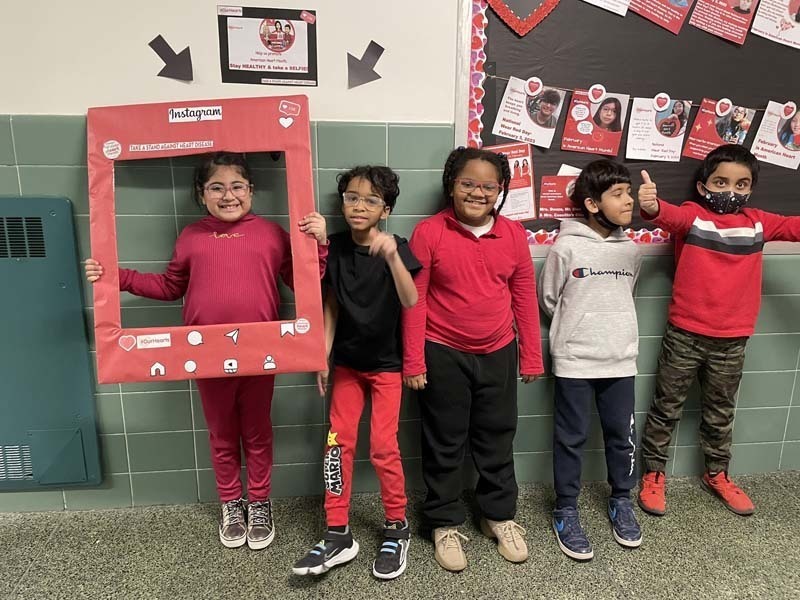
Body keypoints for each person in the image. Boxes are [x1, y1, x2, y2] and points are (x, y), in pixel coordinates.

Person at [85, 152, 328, 550]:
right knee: (221, 434)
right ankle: (232, 503)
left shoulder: (271, 234)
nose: (228, 195)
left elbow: (305, 280)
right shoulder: (191, 237)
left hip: (259, 352)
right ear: (202, 194)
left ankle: (260, 501)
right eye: (217, 187)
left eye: (237, 186)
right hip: (204, 355)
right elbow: (169, 286)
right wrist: (115, 277)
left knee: (256, 431)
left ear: (251, 190)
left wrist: (319, 243)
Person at [636, 144, 800, 517]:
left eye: (742, 184)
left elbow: (794, 227)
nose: (732, 190)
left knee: (720, 412)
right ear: (702, 185)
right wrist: (650, 205)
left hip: (732, 341)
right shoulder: (693, 217)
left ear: (751, 189)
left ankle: (718, 474)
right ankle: (653, 475)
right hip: (685, 336)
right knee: (666, 409)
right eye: (721, 182)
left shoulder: (758, 221)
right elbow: (667, 216)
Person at [402, 147, 544, 572]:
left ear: (500, 191)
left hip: (499, 350)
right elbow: (414, 300)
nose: (478, 193)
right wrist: (413, 362)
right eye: (468, 183)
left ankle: (498, 516)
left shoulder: (514, 234)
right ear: (451, 185)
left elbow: (523, 297)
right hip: (442, 350)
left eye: (488, 186)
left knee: (497, 437)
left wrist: (531, 357)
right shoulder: (429, 232)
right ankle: (444, 522)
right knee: (444, 441)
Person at [292, 166, 421, 580]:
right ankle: (337, 532)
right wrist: (322, 357)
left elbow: (410, 298)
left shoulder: (396, 246)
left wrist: (391, 257)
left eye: (369, 199)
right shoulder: (335, 249)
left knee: (384, 447)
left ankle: (397, 526)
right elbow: (330, 305)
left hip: (386, 368)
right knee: (337, 445)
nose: (358, 206)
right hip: (347, 365)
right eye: (351, 197)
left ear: (386, 208)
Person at [538, 159, 642, 562]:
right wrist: (578, 331)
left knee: (621, 437)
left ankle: (621, 500)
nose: (628, 199)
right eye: (618, 194)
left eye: (629, 192)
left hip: (620, 360)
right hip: (575, 361)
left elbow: (625, 296)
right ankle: (566, 509)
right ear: (593, 203)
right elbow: (550, 300)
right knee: (571, 438)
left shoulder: (631, 251)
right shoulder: (566, 247)